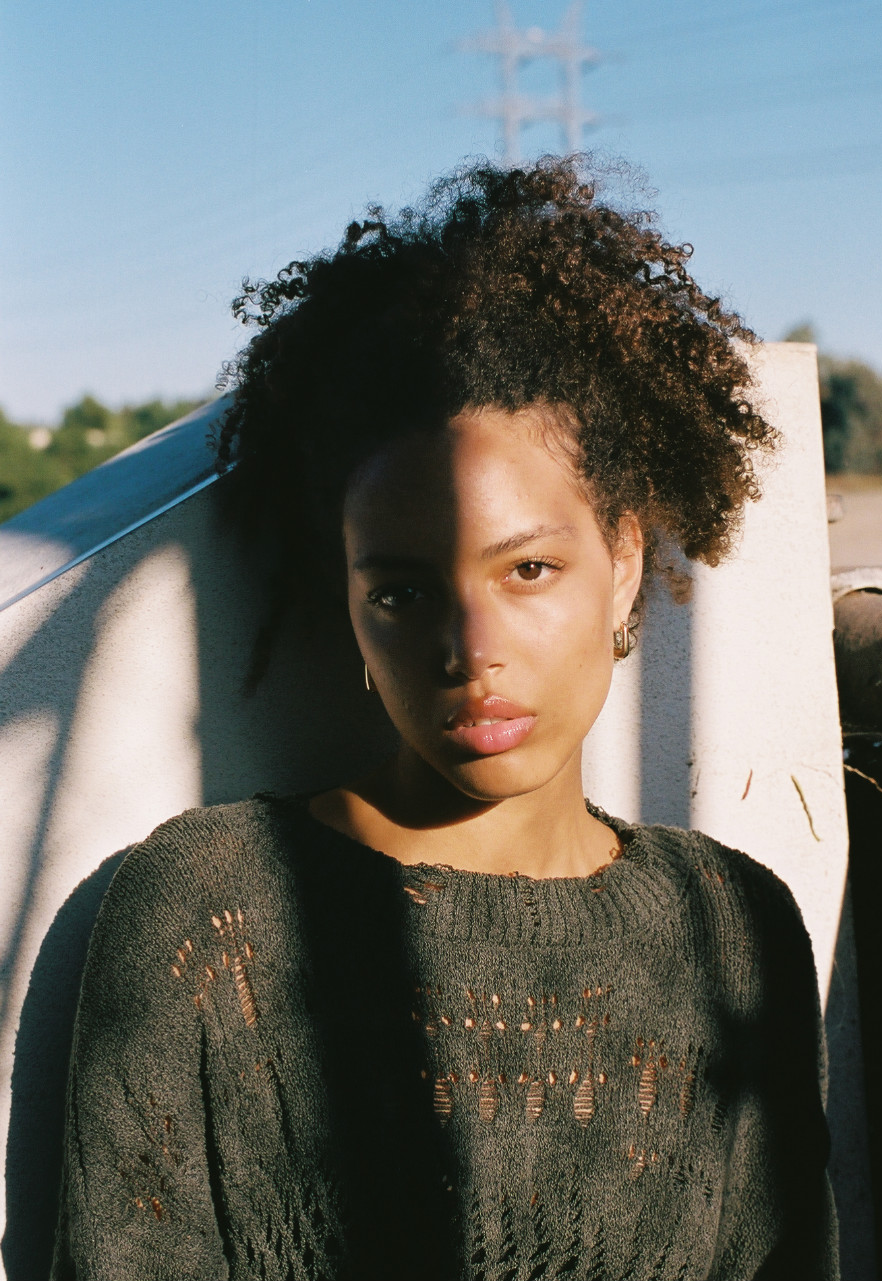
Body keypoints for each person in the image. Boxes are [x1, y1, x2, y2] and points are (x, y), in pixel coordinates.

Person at [52, 157, 838, 1280]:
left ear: (623, 560)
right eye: (403, 592)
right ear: (345, 598)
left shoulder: (733, 927)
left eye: (528, 569)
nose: (470, 649)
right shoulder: (211, 915)